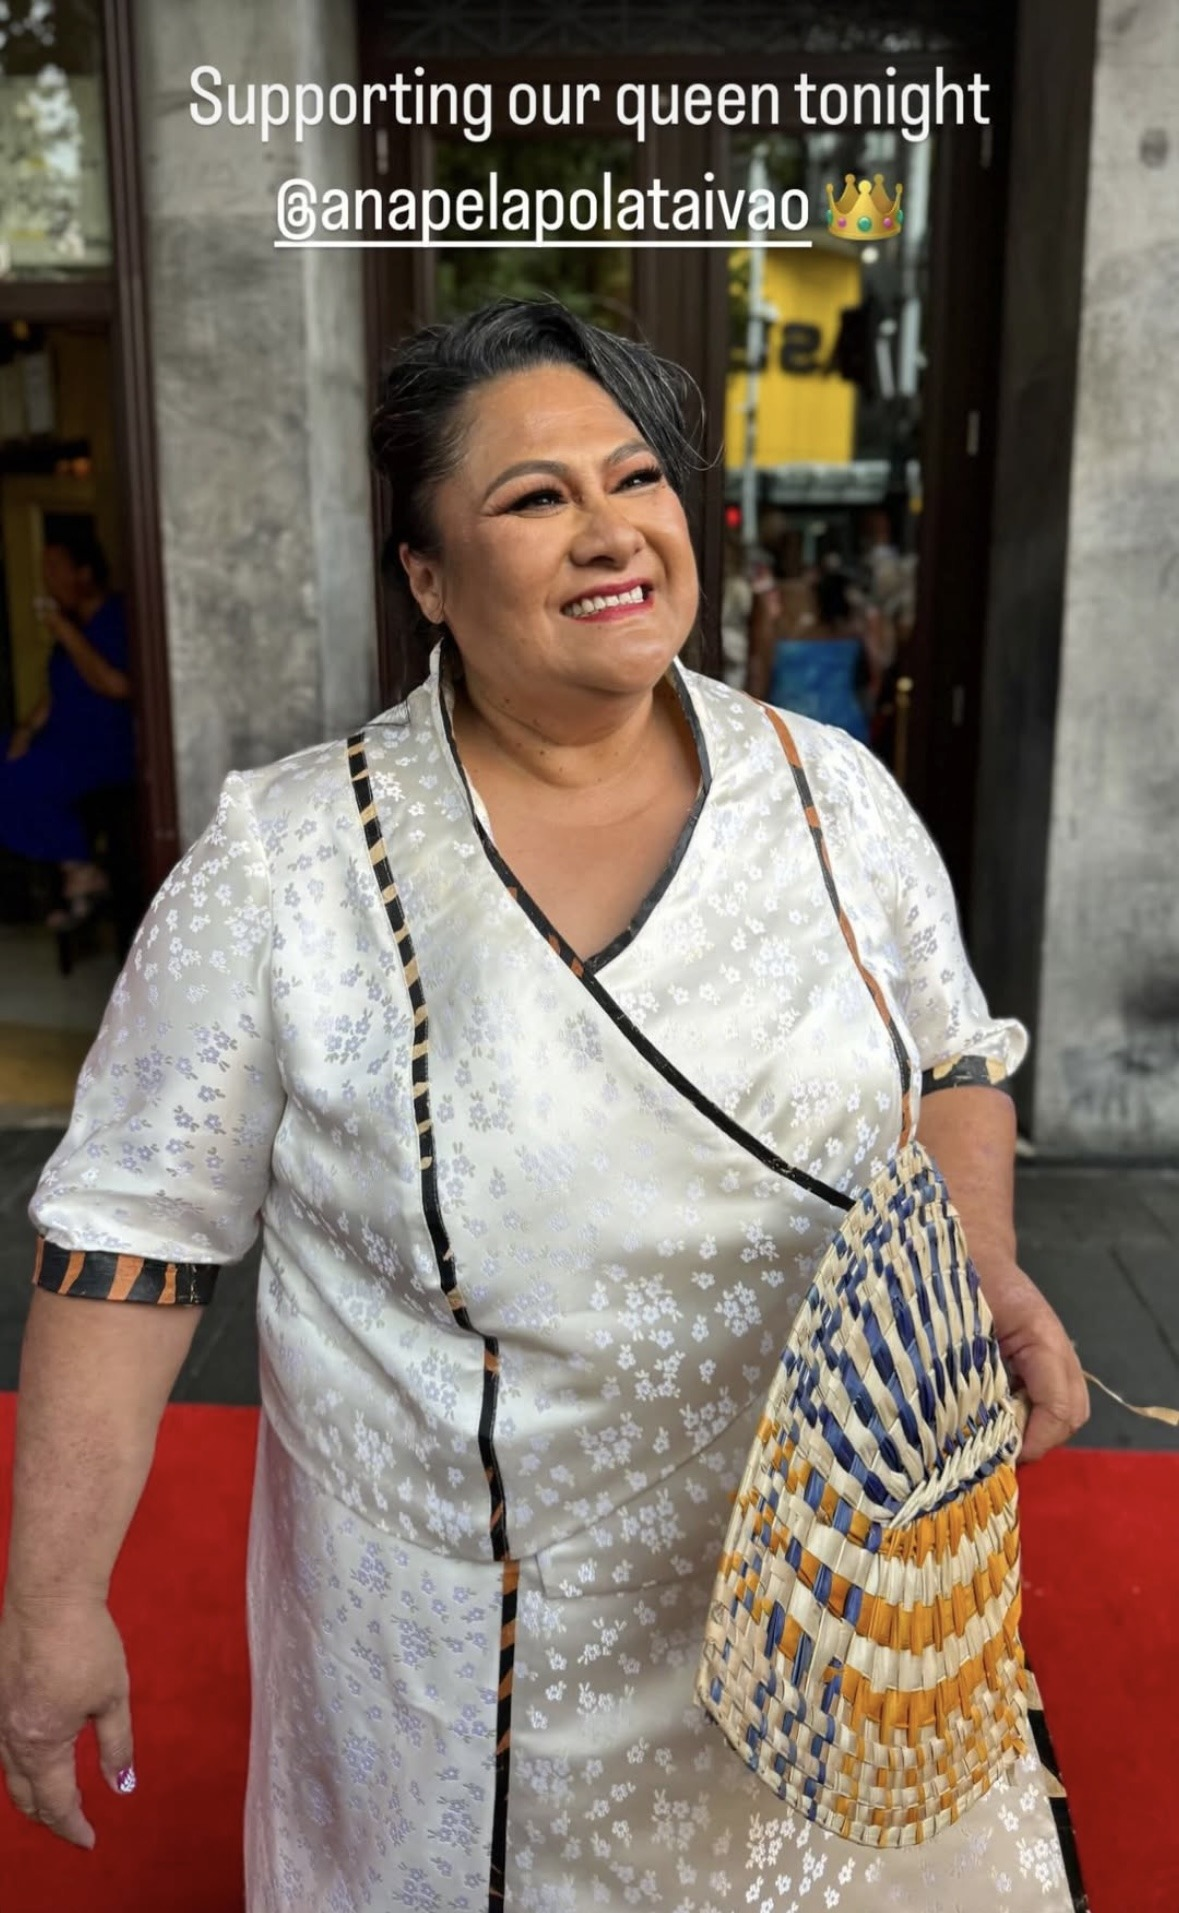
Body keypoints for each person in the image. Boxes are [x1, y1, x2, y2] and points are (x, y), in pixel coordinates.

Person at [0, 300, 1089, 1912]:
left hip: (834, 1582)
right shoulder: (291, 865)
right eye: (532, 498)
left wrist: (976, 1273)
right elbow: (130, 1240)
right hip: (483, 1658)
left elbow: (945, 1061)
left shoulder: (831, 794)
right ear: (428, 579)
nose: (609, 531)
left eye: (634, 477)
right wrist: (51, 1601)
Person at [0, 517, 134, 927]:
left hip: (102, 749)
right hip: (61, 739)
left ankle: (79, 865)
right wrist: (26, 729)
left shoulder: (114, 617)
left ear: (85, 572)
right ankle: (73, 870)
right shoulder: (71, 627)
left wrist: (64, 631)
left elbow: (115, 685)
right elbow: (54, 694)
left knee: (23, 777)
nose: (48, 581)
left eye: (55, 571)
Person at [749, 560, 873, 742]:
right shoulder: (853, 636)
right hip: (845, 726)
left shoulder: (784, 638)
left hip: (790, 728)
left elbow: (759, 677)